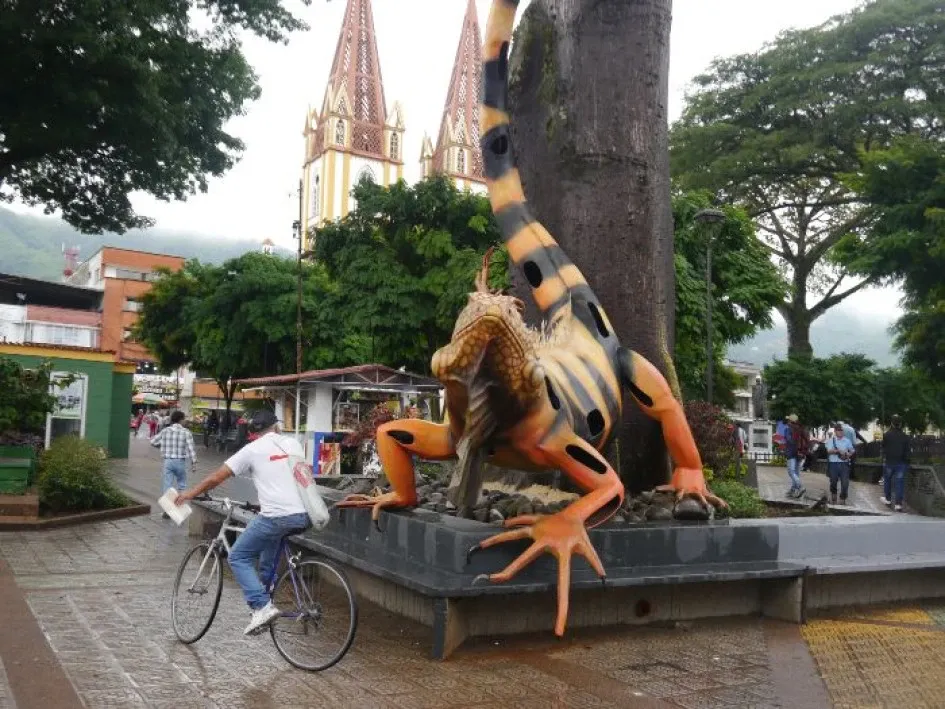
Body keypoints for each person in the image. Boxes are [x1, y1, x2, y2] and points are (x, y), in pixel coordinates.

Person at [175, 410, 310, 636]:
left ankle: (261, 607)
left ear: (253, 433)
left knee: (238, 556)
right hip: (303, 515)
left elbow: (217, 477)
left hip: (276, 516)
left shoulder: (251, 450)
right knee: (267, 560)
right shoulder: (293, 444)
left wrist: (191, 493)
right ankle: (266, 604)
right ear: (276, 427)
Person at [150, 411, 197, 511]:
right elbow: (191, 449)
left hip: (168, 461)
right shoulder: (186, 432)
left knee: (167, 486)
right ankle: (179, 506)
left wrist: (163, 447)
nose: (185, 421)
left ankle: (167, 510)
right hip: (180, 461)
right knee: (182, 485)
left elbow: (153, 442)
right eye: (184, 419)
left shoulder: (165, 431)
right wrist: (194, 463)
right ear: (180, 419)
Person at [881, 414, 910, 512]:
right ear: (900, 424)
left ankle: (888, 499)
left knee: (887, 480)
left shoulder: (886, 435)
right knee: (899, 483)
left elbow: (884, 448)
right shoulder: (905, 436)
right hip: (901, 462)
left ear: (891, 423)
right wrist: (907, 462)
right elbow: (907, 451)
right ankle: (898, 504)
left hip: (889, 461)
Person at [825, 421, 855, 504]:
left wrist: (848, 454)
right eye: (838, 430)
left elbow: (852, 450)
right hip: (833, 463)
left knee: (845, 482)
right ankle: (833, 493)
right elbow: (828, 451)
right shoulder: (831, 440)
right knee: (833, 481)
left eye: (841, 430)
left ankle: (843, 497)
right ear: (835, 431)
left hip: (844, 463)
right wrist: (838, 451)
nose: (840, 432)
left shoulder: (847, 441)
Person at [784, 414, 808, 499]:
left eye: (788, 420)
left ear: (790, 421)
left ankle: (800, 487)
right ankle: (793, 490)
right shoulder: (800, 428)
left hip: (791, 453)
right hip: (800, 453)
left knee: (791, 471)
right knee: (796, 472)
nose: (787, 422)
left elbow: (789, 440)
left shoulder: (788, 429)